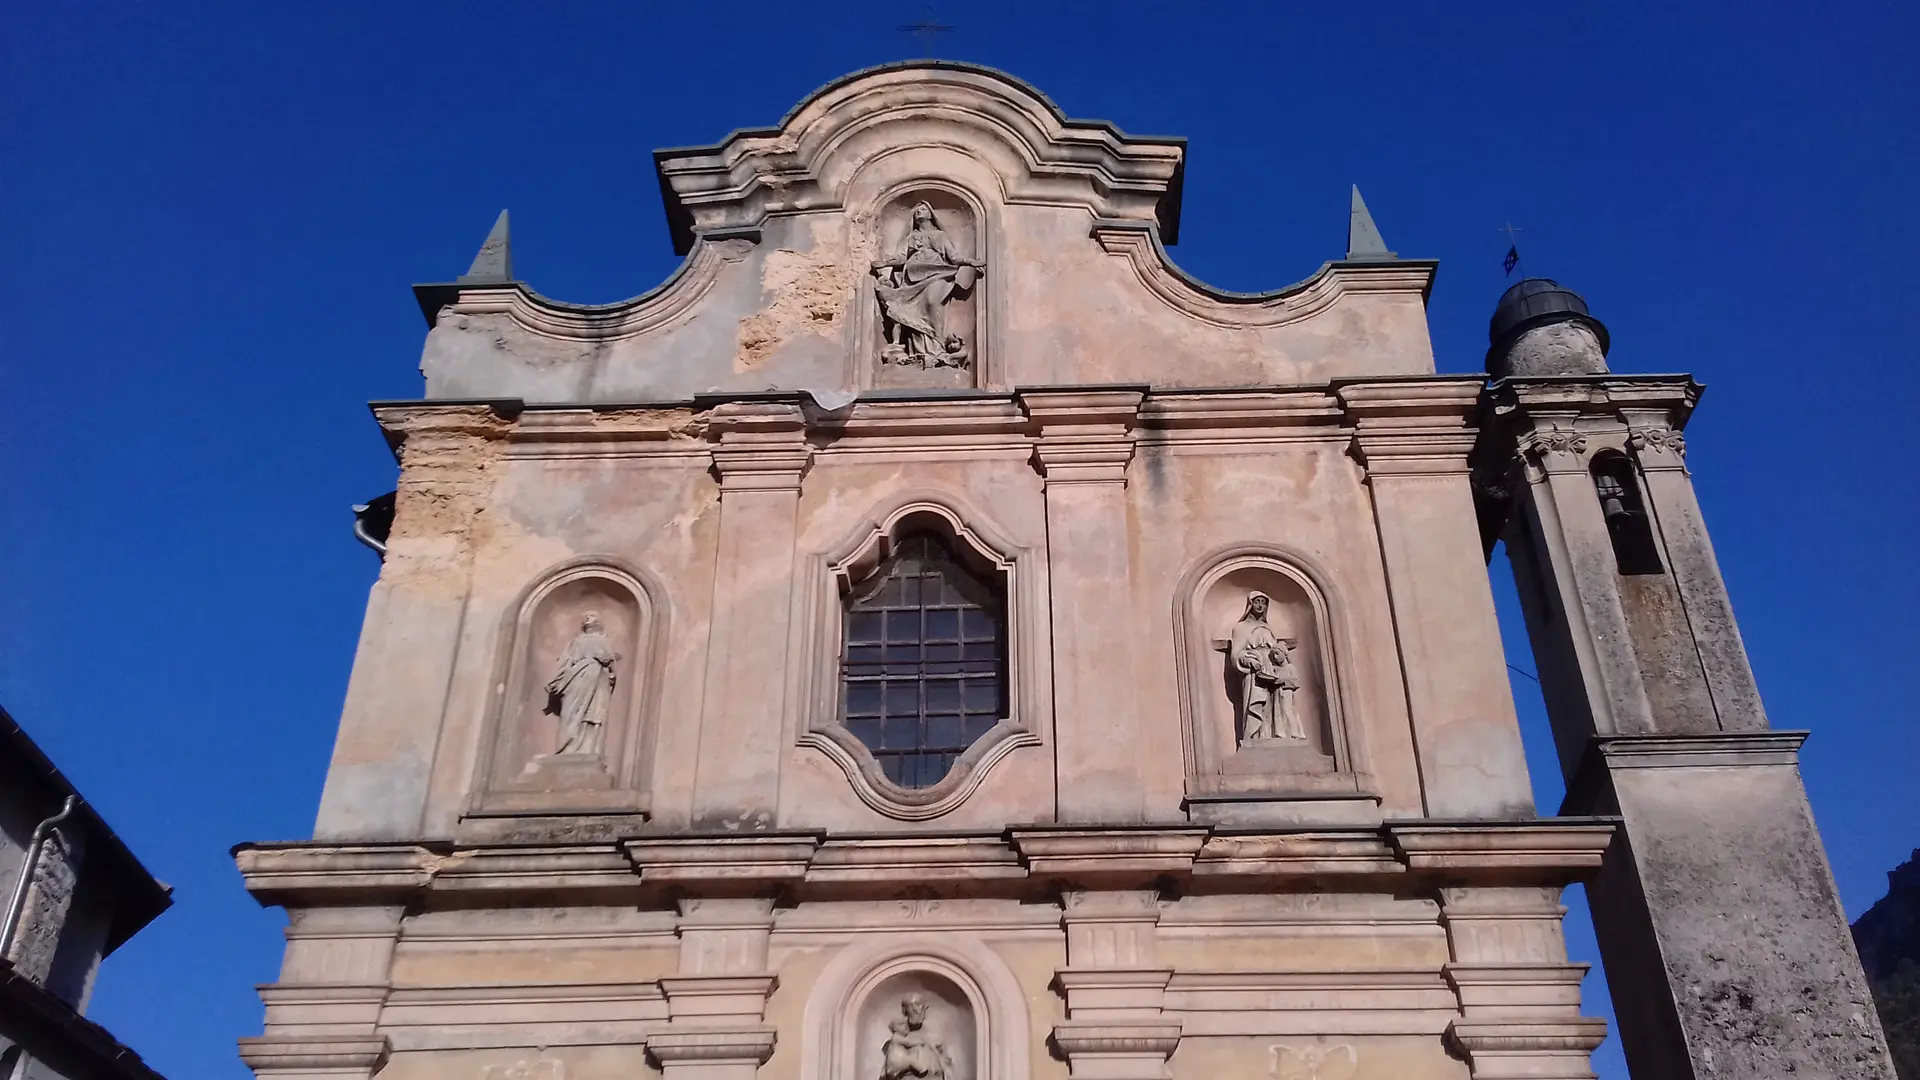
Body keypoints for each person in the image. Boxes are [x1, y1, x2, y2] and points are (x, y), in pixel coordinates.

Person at [873, 202, 981, 367]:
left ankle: (936, 347)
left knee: (932, 304)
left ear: (930, 214)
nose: (918, 212)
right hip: (913, 279)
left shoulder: (940, 236)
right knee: (913, 312)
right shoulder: (911, 238)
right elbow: (901, 258)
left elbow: (953, 257)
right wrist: (884, 263)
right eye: (916, 211)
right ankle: (920, 352)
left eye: (922, 210)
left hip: (937, 274)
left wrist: (971, 262)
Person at [1229, 592, 1305, 742]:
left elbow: (1278, 651)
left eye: (1263, 602)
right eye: (1257, 602)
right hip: (1254, 673)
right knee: (1256, 704)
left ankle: (1275, 735)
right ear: (1250, 604)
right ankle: (1255, 738)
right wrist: (1251, 661)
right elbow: (1236, 654)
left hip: (1272, 670)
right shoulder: (1241, 628)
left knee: (1276, 705)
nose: (1260, 605)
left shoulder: (1267, 628)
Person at [545, 611, 619, 756]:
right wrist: (555, 680)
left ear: (598, 622)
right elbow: (565, 660)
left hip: (595, 678)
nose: (587, 619)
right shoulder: (576, 641)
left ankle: (587, 749)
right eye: (585, 617)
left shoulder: (603, 640)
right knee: (569, 712)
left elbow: (609, 661)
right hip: (575, 678)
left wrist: (610, 671)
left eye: (591, 616)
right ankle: (566, 747)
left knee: (591, 714)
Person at [880, 995, 952, 1080]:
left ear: (925, 1010)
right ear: (904, 1010)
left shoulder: (934, 1039)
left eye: (918, 1005)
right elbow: (888, 1073)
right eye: (910, 1005)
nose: (915, 1009)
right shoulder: (897, 1041)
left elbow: (947, 1069)